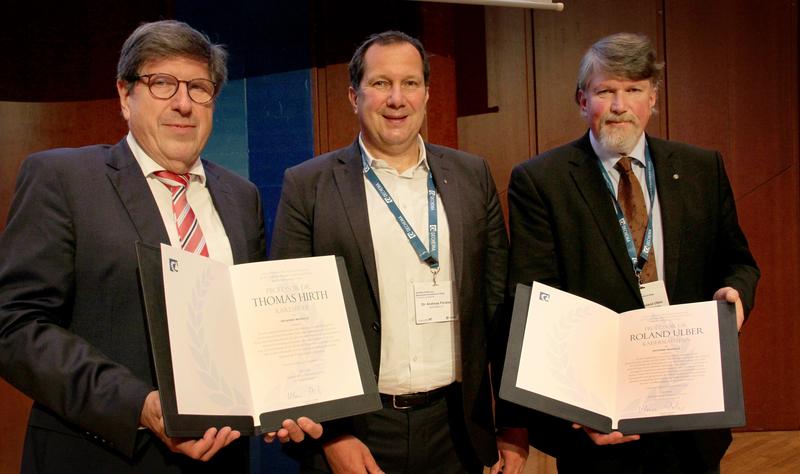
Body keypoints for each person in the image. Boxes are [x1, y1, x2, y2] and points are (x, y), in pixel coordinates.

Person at [0, 20, 321, 473]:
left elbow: (250, 328)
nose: (183, 103)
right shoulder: (63, 179)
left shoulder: (240, 197)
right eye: (162, 84)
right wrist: (141, 406)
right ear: (124, 95)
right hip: (100, 456)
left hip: (220, 459)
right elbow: (14, 326)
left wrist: (287, 395)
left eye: (199, 88)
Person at [497, 32, 760, 473]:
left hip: (690, 416)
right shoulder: (541, 181)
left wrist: (736, 296)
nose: (620, 105)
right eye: (605, 91)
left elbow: (739, 262)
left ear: (652, 99)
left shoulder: (701, 169)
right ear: (583, 101)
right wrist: (581, 407)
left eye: (633, 90)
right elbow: (538, 300)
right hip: (599, 427)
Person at [270, 31, 508, 473]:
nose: (397, 98)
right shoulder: (308, 186)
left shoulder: (472, 175)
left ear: (426, 93)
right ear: (353, 97)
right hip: (356, 431)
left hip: (457, 429)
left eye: (410, 83)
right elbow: (291, 324)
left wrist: (512, 426)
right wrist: (333, 432)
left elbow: (498, 303)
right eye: (380, 83)